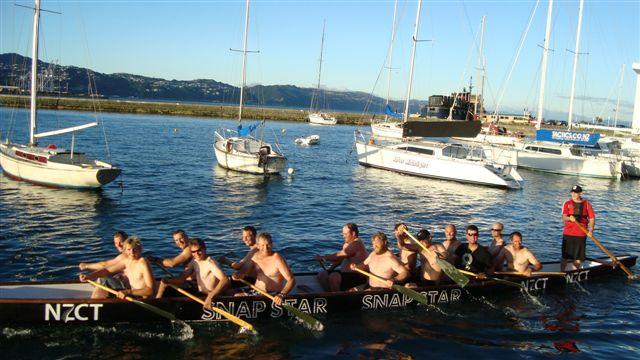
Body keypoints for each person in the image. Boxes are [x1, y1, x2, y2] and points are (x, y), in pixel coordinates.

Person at [156, 238, 230, 309]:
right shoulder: (194, 262)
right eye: (193, 252)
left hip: (213, 296)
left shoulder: (210, 263)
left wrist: (211, 296)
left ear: (204, 249)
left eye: (199, 250)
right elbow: (181, 278)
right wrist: (168, 281)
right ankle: (156, 303)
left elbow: (225, 279)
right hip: (201, 294)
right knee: (167, 288)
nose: (196, 254)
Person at [79, 236, 155, 299]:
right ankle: (95, 303)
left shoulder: (143, 263)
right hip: (132, 293)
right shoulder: (126, 261)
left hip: (141, 298)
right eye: (129, 249)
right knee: (103, 279)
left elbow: (150, 289)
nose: (131, 252)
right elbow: (107, 270)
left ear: (140, 249)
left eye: (134, 249)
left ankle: (94, 304)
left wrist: (128, 292)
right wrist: (89, 276)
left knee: (104, 281)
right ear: (125, 250)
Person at [232, 232, 295, 306]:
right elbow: (244, 272)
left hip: (271, 294)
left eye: (268, 245)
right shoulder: (255, 256)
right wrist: (237, 275)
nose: (265, 248)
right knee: (228, 292)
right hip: (255, 291)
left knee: (236, 296)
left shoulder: (277, 259)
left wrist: (282, 295)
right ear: (258, 246)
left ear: (272, 244)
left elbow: (291, 280)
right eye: (262, 245)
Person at [315, 223, 368, 292]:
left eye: (345, 234)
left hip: (358, 276)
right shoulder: (347, 244)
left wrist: (323, 258)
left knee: (334, 277)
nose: (343, 236)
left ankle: (338, 299)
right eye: (343, 234)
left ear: (353, 233)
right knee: (322, 274)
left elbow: (339, 255)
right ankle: (330, 296)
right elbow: (341, 259)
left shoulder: (356, 244)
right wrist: (330, 269)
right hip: (346, 275)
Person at [561, 185, 595, 271]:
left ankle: (576, 272)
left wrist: (590, 230)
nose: (573, 194)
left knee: (577, 257)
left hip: (581, 234)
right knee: (565, 256)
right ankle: (562, 272)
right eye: (572, 192)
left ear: (580, 193)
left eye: (576, 193)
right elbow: (564, 217)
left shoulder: (587, 204)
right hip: (568, 233)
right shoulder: (567, 203)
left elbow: (592, 218)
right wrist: (569, 218)